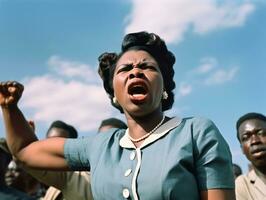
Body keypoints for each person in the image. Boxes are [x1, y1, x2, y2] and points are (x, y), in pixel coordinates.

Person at [0, 31, 235, 199]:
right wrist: (10, 109)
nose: (136, 72)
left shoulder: (196, 132)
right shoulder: (99, 147)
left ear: (164, 88)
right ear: (114, 94)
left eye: (148, 67)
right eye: (125, 69)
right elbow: (24, 152)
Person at [235, 112, 266, 200]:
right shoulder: (241, 186)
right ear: (242, 148)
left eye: (260, 133)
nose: (254, 141)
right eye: (246, 138)